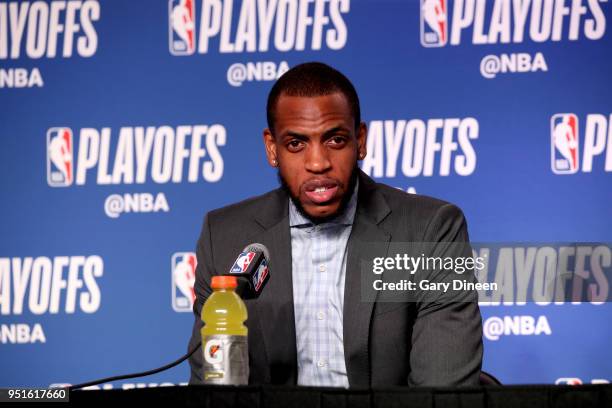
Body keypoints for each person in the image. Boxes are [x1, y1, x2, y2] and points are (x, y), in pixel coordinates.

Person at [187, 62, 483, 387]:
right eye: (296, 144)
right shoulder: (225, 237)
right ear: (272, 149)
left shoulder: (431, 230)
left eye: (336, 140)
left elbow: (440, 394)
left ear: (361, 140)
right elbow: (213, 393)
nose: (318, 163)